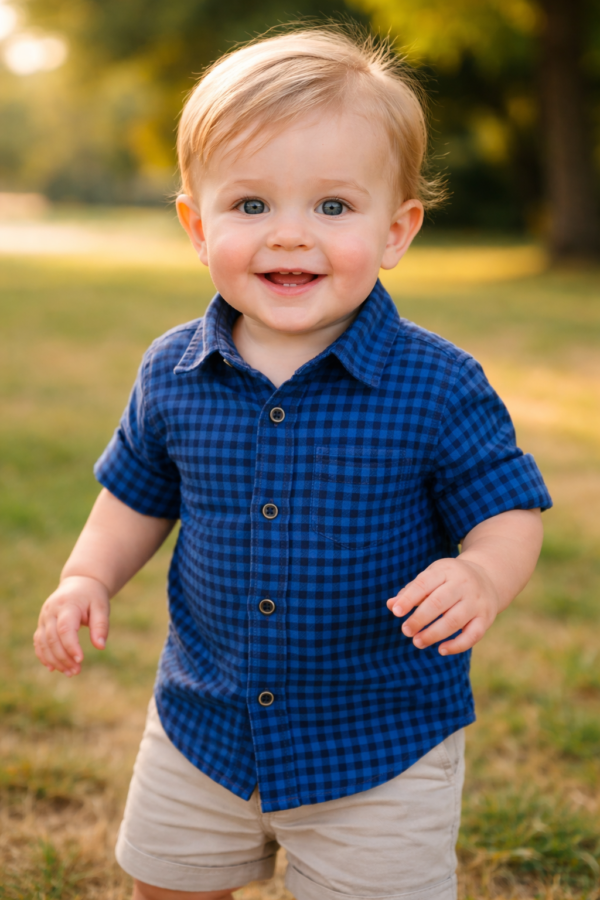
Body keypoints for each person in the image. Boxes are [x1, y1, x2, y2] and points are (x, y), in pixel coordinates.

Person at [34, 26, 552, 900]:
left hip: (378, 742)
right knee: (163, 885)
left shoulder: (439, 383)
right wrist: (87, 575)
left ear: (397, 230)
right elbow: (135, 494)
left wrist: (482, 578)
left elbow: (508, 507)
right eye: (250, 206)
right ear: (198, 227)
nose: (289, 237)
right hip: (205, 724)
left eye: (333, 208)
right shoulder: (172, 371)